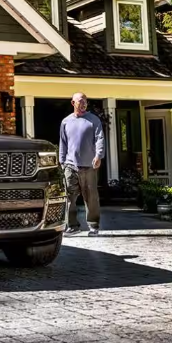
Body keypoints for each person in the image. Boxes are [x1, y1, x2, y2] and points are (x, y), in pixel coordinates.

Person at [59, 93, 105, 236]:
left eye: (85, 101)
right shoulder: (66, 122)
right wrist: (62, 161)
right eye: (80, 101)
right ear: (73, 103)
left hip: (88, 166)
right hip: (70, 165)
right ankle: (72, 226)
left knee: (91, 197)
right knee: (69, 197)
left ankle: (93, 225)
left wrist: (98, 155)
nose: (84, 103)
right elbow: (63, 143)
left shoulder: (93, 120)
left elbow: (100, 139)